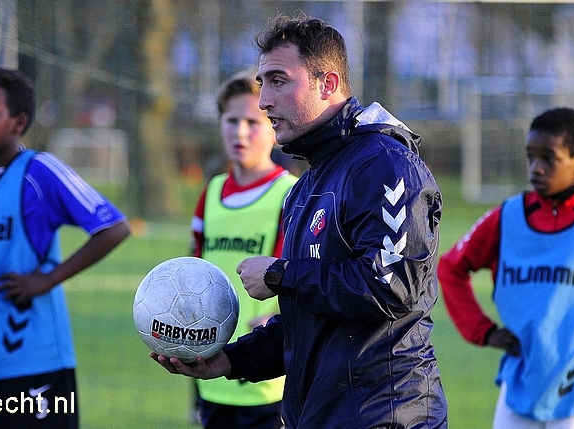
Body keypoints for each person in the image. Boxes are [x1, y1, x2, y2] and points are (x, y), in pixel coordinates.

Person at [152, 14, 448, 428]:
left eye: (279, 81)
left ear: (327, 84)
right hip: (317, 416)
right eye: (263, 83)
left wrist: (280, 273)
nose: (263, 101)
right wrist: (229, 360)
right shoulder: (306, 186)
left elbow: (390, 287)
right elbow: (307, 324)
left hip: (384, 415)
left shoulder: (384, 164)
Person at [0, 67, 130, 429]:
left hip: (35, 361)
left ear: (18, 122)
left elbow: (113, 228)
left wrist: (47, 279)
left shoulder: (38, 172)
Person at [438, 107, 574, 429]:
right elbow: (451, 268)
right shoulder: (507, 217)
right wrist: (484, 331)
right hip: (518, 384)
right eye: (530, 157)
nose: (536, 168)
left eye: (549, 158)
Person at [189, 69, 296, 429]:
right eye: (232, 121)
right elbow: (194, 271)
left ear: (273, 127)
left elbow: (300, 276)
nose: (240, 132)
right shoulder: (212, 192)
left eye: (253, 122)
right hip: (211, 361)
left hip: (268, 373)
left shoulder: (291, 194)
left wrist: (277, 317)